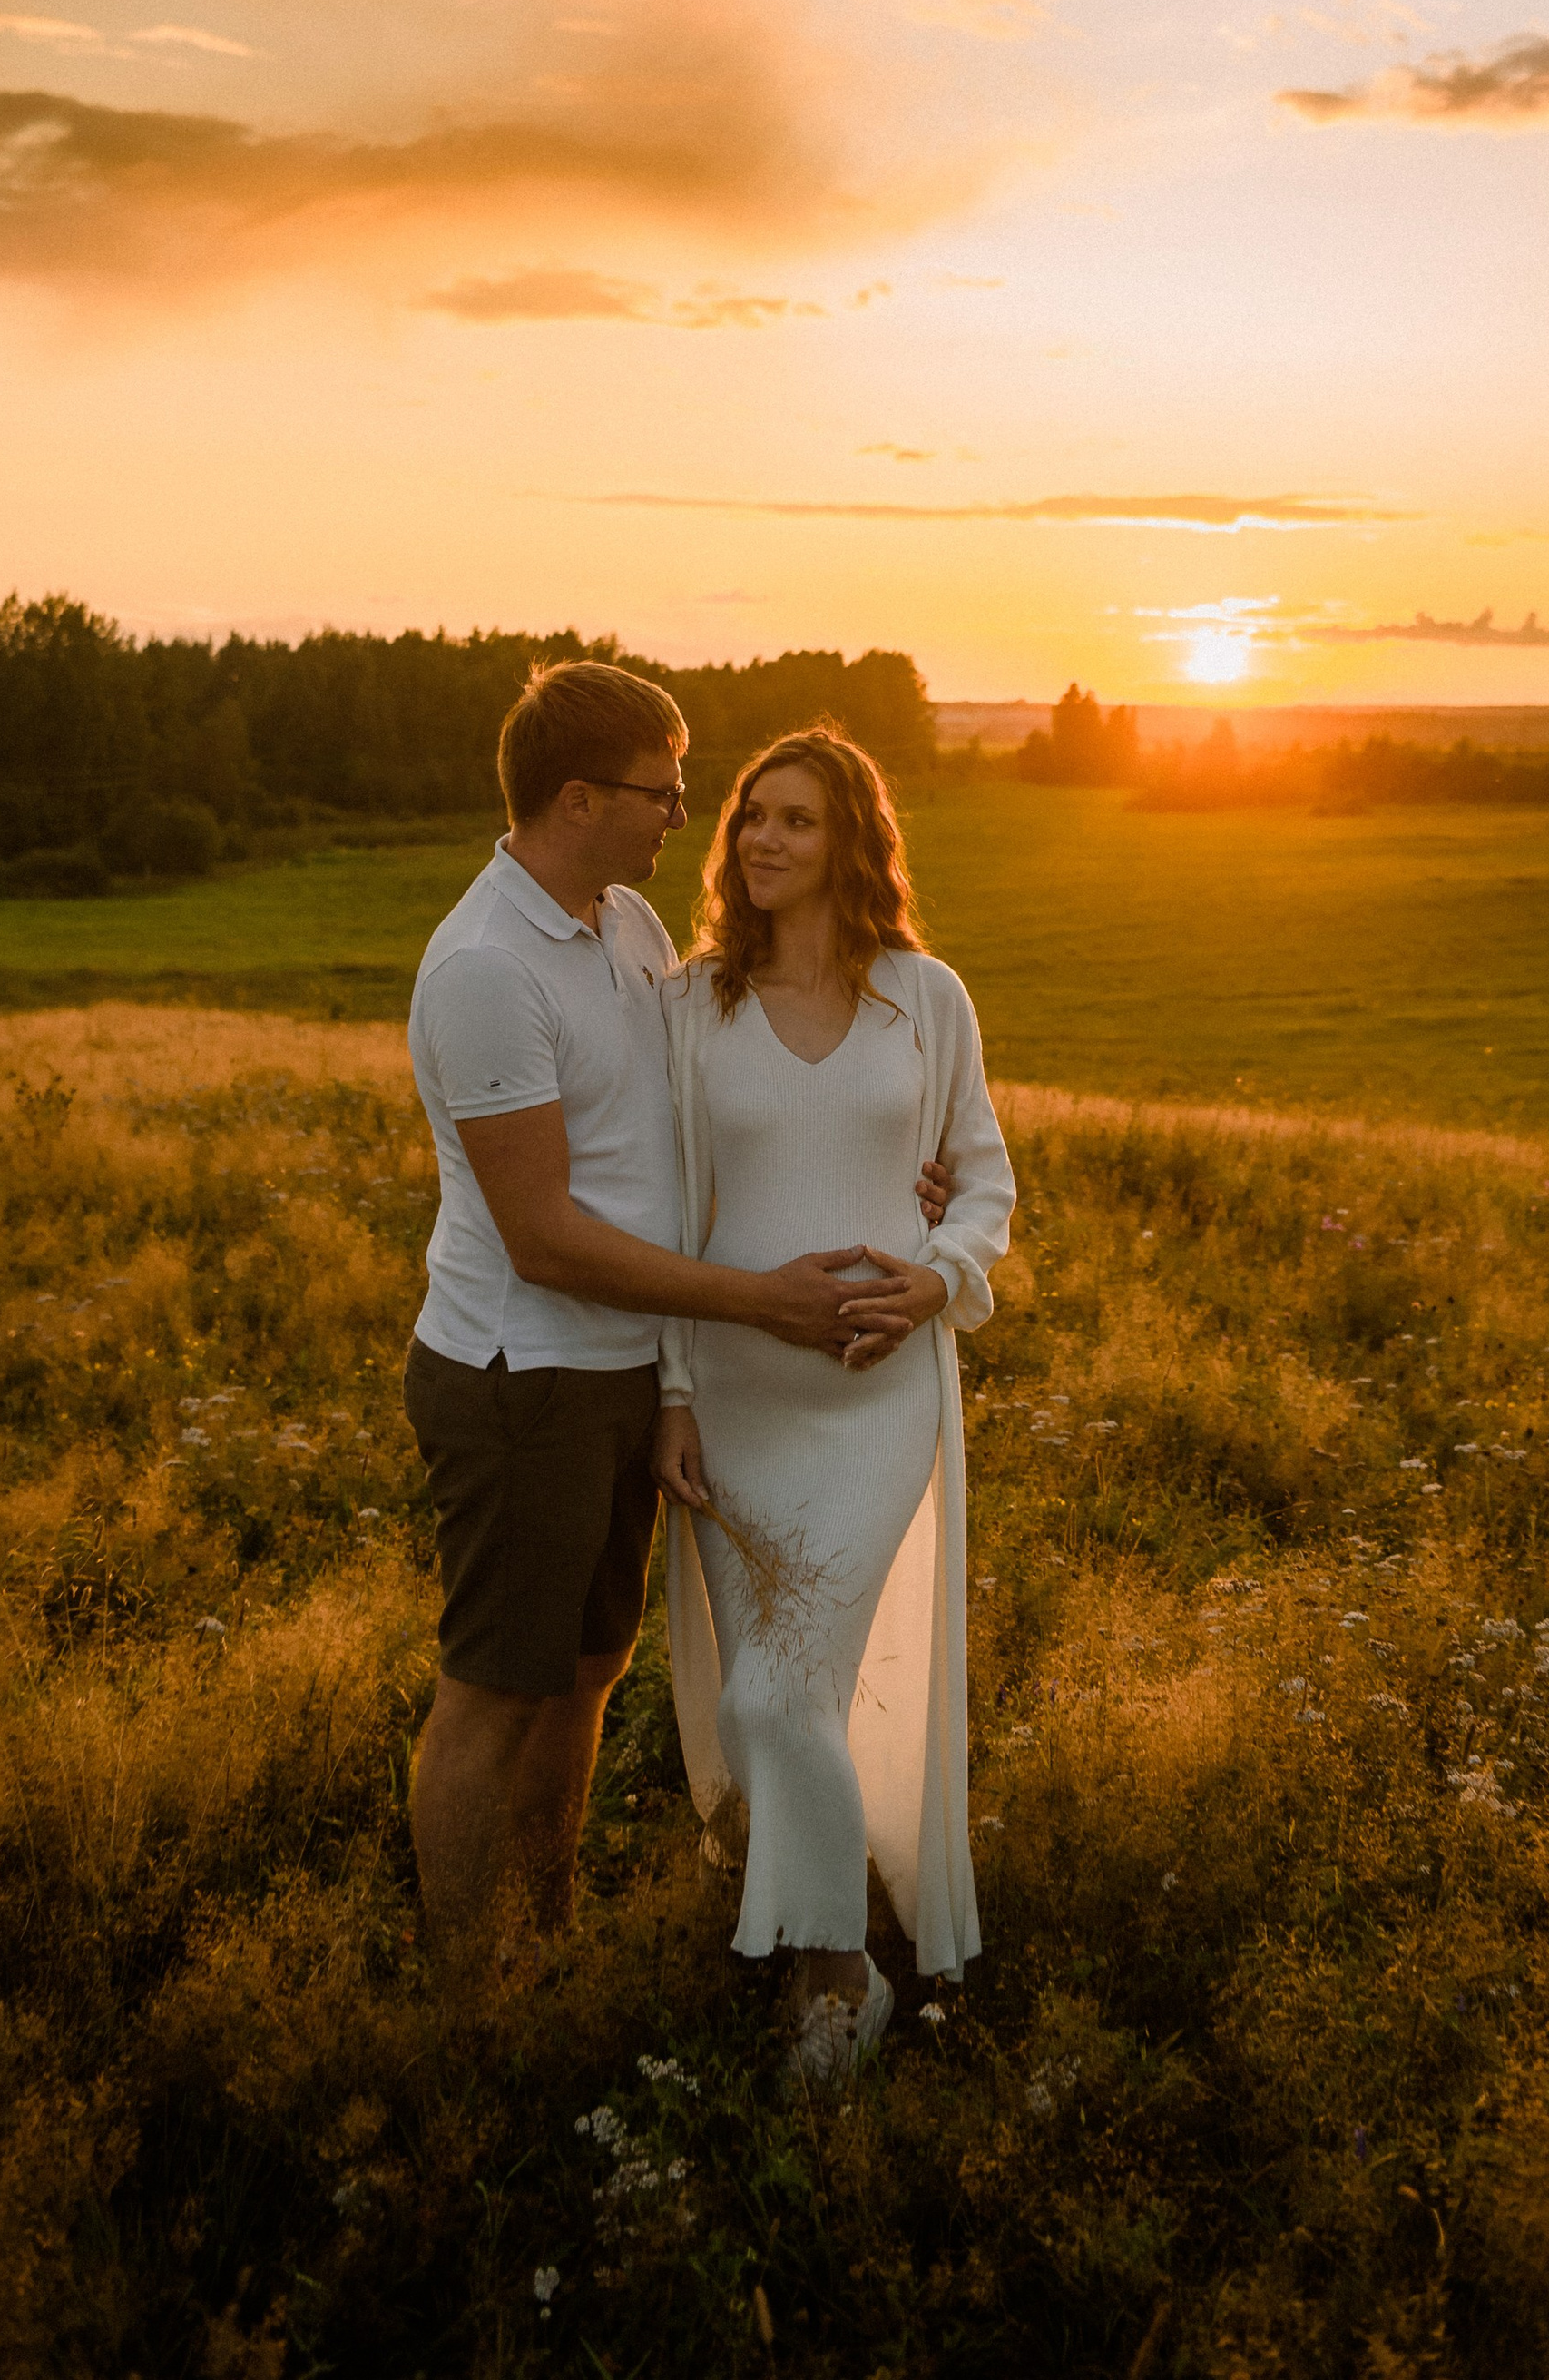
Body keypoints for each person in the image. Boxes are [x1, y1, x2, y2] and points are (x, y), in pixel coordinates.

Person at [401, 660, 951, 1967]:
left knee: (585, 1677)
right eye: (665, 789)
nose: (683, 814)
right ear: (581, 796)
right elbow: (543, 1238)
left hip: (618, 1378)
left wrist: (909, 1171)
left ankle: (545, 1932)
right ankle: (461, 1998)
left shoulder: (624, 928)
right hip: (521, 1376)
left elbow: (719, 1110)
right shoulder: (485, 967)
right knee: (496, 1689)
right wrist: (757, 1304)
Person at [651, 725, 1016, 2085]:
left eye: (796, 820)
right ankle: (821, 1939)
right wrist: (672, 1394)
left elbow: (980, 1175)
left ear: (850, 841)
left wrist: (938, 1279)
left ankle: (837, 1978)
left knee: (784, 1688)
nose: (762, 841)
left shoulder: (925, 999)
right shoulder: (691, 1010)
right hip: (733, 1404)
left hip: (876, 1407)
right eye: (750, 817)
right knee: (769, 1707)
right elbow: (669, 1212)